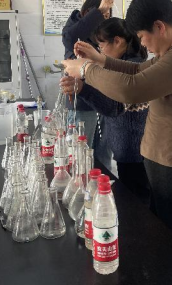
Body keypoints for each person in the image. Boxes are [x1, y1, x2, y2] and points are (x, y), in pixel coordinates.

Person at [62, 0, 172, 262]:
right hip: (168, 169)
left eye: (143, 36)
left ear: (159, 26)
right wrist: (100, 59)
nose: (142, 43)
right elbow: (137, 71)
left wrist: (86, 70)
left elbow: (132, 88)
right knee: (167, 245)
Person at [60, 18, 150, 205]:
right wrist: (90, 63)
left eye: (101, 46)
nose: (101, 52)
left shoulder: (132, 67)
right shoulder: (123, 63)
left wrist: (82, 87)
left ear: (117, 41)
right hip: (127, 148)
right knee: (132, 195)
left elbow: (114, 106)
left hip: (134, 150)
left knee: (137, 202)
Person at [61, 0, 114, 169]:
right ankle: (81, 183)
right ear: (87, 13)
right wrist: (100, 11)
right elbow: (70, 37)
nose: (103, 20)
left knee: (103, 154)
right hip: (82, 104)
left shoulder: (103, 35)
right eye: (101, 15)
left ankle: (105, 183)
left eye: (107, 16)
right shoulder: (75, 27)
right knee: (81, 155)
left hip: (104, 101)